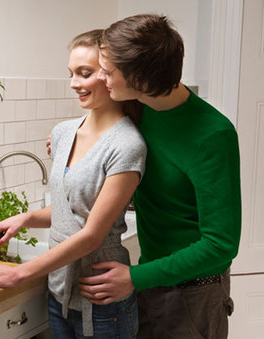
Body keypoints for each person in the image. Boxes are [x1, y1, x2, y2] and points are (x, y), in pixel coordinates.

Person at [0, 29, 147, 338]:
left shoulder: (127, 144)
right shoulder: (63, 132)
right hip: (58, 296)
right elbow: (73, 209)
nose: (74, 83)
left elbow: (91, 235)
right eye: (71, 74)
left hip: (103, 304)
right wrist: (26, 218)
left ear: (112, 76)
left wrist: (19, 274)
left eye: (85, 73)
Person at [77, 14, 241, 339]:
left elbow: (220, 245)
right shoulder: (138, 108)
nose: (102, 78)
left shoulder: (213, 135)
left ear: (139, 77)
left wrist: (134, 278)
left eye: (108, 72)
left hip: (195, 295)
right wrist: (73, 138)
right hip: (151, 281)